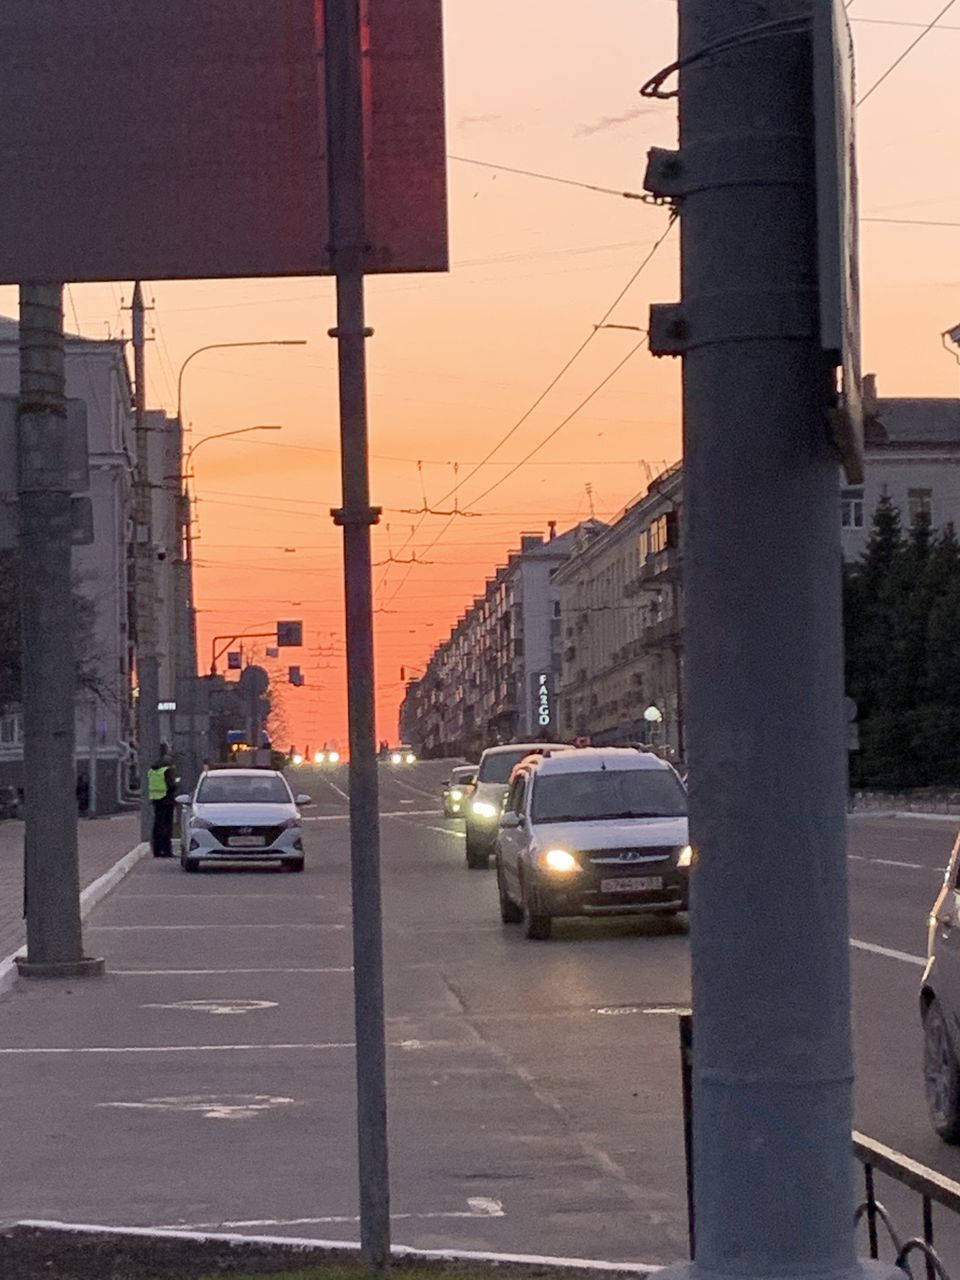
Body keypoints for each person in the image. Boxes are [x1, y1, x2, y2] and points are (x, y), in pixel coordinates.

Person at [148, 744, 179, 858]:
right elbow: (171, 786)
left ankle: (157, 851)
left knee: (157, 826)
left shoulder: (152, 770)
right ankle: (167, 851)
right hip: (167, 800)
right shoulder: (167, 770)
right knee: (166, 827)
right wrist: (176, 784)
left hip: (156, 800)